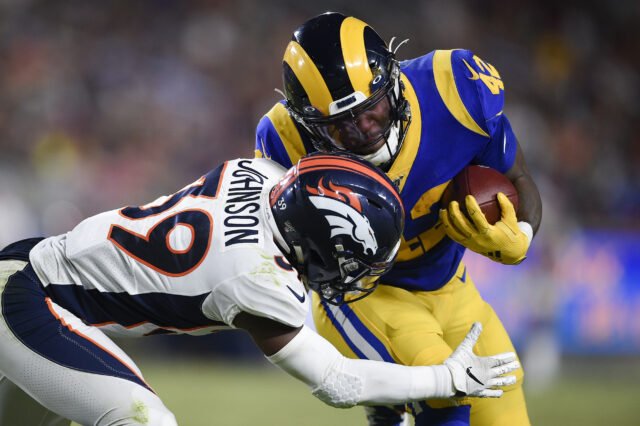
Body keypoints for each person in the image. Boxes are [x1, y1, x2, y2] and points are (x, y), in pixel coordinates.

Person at [0, 153, 520, 426]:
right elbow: (337, 382)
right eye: (351, 258)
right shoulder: (255, 279)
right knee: (144, 420)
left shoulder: (258, 173)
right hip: (29, 297)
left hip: (34, 276)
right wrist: (444, 379)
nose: (352, 273)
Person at [254, 12, 542, 426]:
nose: (364, 129)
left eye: (373, 109)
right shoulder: (282, 140)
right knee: (447, 390)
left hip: (450, 285)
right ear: (309, 124)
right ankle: (391, 404)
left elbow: (518, 177)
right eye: (340, 126)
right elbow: (278, 252)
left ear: (393, 82)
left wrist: (522, 235)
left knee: (504, 406)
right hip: (362, 294)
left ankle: (387, 412)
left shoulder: (455, 90)